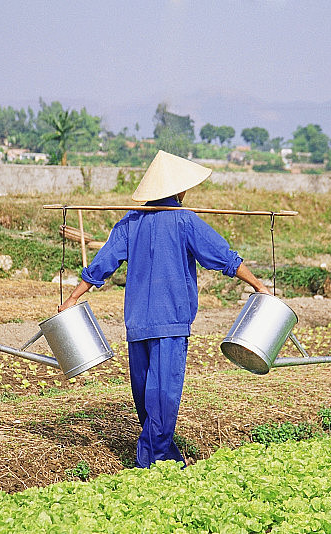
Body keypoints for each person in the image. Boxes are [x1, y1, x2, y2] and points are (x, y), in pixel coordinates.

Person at [58, 150, 270, 468]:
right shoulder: (185, 221)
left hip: (138, 324)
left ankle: (163, 458)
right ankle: (152, 463)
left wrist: (73, 298)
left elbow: (102, 263)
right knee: (162, 397)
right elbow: (223, 256)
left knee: (147, 398)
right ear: (178, 190)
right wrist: (258, 286)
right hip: (170, 321)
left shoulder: (130, 223)